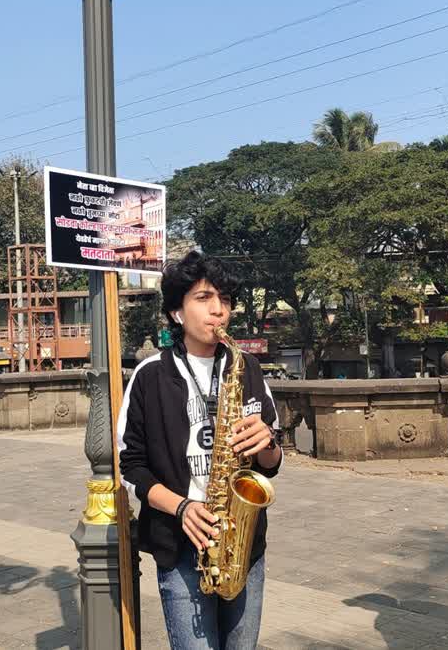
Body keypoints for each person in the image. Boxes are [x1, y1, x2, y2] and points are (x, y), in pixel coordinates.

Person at [117, 251, 282, 650]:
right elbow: (131, 466)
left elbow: (271, 465)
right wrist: (181, 508)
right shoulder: (150, 376)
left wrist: (267, 442)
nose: (218, 310)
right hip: (180, 544)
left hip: (242, 544)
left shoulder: (246, 367)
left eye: (225, 299)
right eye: (204, 298)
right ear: (177, 312)